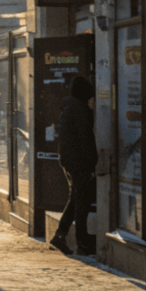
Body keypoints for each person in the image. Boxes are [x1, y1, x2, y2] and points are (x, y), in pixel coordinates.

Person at [50, 76, 98, 255]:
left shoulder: (69, 108)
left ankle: (60, 236)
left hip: (69, 160)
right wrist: (92, 163)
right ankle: (82, 242)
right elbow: (86, 140)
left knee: (76, 198)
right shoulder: (81, 110)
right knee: (82, 201)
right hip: (79, 162)